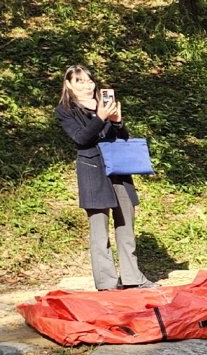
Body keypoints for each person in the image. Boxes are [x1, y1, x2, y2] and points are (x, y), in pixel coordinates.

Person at [55, 65, 153, 290]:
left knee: (126, 223)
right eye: (80, 81)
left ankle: (132, 277)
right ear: (69, 84)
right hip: (92, 169)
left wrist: (117, 121)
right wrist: (100, 117)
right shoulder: (65, 110)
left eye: (89, 81)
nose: (86, 86)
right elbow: (81, 138)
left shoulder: (104, 103)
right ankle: (107, 282)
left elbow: (123, 138)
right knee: (99, 227)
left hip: (118, 168)